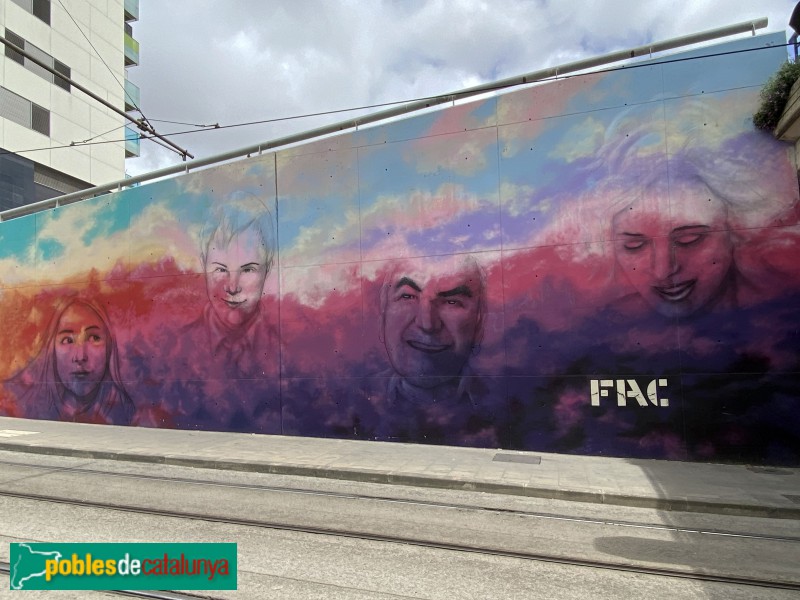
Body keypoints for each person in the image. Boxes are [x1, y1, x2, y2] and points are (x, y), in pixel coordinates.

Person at [180, 190, 277, 378]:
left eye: (248, 269)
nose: (232, 287)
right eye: (221, 270)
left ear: (268, 268)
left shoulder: (288, 353)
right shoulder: (175, 349)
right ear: (203, 264)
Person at [6, 297, 134, 424]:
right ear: (51, 350)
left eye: (94, 338)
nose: (80, 357)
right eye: (67, 340)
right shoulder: (16, 403)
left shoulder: (130, 411)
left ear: (110, 346)